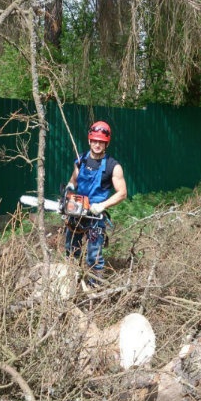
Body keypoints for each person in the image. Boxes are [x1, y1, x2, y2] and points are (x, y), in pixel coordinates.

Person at [65, 120, 127, 285]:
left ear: (106, 143)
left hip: (95, 216)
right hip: (77, 210)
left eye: (101, 141)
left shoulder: (113, 166)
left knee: (94, 256)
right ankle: (71, 283)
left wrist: (102, 205)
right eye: (95, 140)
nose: (97, 144)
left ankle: (95, 289)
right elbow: (74, 179)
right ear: (89, 140)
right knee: (71, 249)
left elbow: (122, 193)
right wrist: (70, 188)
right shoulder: (81, 159)